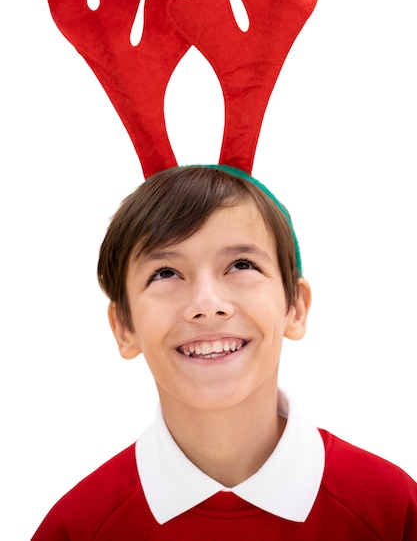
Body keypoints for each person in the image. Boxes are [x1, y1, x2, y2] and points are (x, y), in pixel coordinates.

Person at [32, 165, 417, 540]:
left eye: (241, 265)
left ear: (295, 308)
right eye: (165, 272)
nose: (207, 304)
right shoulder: (79, 527)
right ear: (124, 328)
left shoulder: (391, 510)